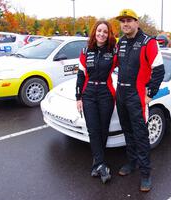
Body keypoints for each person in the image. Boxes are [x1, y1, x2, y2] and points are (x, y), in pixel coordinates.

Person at [115, 9, 165, 192]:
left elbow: (159, 70)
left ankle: (145, 174)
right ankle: (132, 163)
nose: (125, 24)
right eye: (122, 21)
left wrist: (150, 94)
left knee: (141, 135)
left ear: (137, 22)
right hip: (121, 94)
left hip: (137, 97)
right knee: (127, 131)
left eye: (129, 20)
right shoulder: (120, 42)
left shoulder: (148, 42)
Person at [76, 20, 117, 183]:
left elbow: (128, 66)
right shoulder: (85, 51)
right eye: (99, 31)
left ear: (109, 35)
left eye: (105, 32)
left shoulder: (113, 51)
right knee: (93, 129)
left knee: (103, 129)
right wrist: (78, 97)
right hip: (89, 94)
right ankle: (100, 164)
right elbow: (80, 75)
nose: (101, 34)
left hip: (106, 93)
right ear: (95, 32)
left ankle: (97, 164)